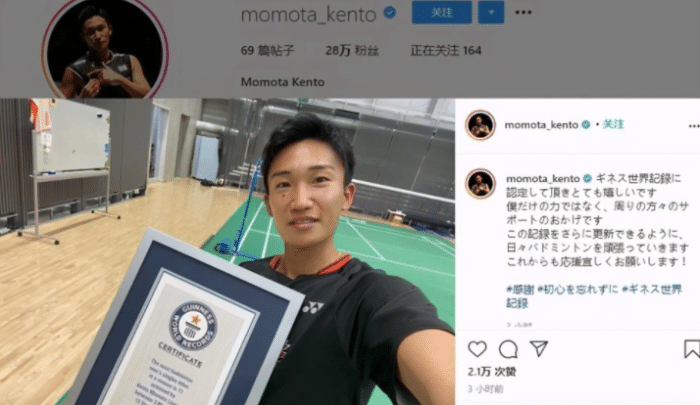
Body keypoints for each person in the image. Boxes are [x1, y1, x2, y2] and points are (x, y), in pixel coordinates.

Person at [239, 113, 455, 405]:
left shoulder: (373, 297)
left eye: (319, 180)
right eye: (283, 185)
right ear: (268, 203)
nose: (300, 201)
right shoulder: (244, 277)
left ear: (347, 196)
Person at [58, 5, 151, 98]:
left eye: (101, 28)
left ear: (110, 30)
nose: (98, 36)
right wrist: (82, 98)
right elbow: (58, 105)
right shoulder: (74, 71)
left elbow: (148, 95)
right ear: (83, 37)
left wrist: (119, 79)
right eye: (91, 32)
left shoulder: (129, 61)